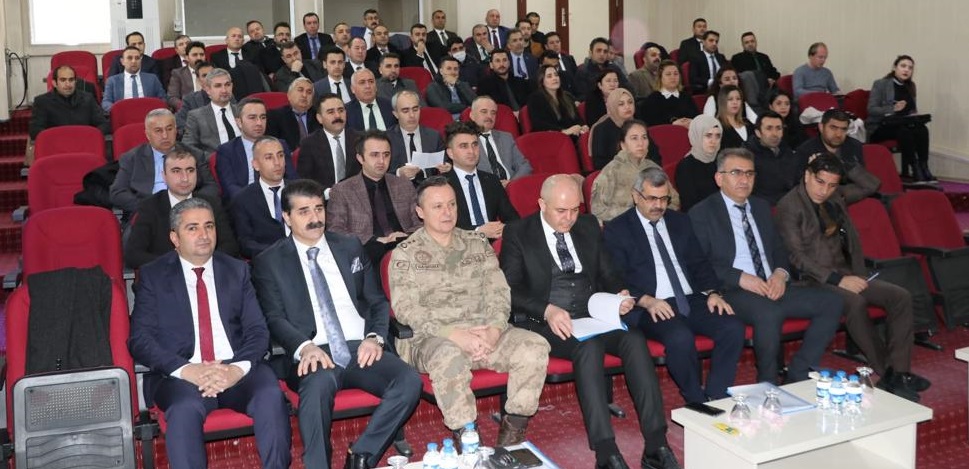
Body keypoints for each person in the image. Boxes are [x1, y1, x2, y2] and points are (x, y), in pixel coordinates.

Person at [500, 174, 681, 469]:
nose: (569, 218)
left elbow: (608, 273)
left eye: (575, 209)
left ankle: (656, 443)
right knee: (589, 348)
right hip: (546, 320)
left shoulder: (587, 226)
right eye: (561, 211)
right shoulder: (519, 232)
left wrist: (619, 294)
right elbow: (509, 289)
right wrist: (547, 310)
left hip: (591, 315)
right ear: (542, 204)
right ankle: (605, 450)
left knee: (635, 340)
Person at [251, 179, 422, 469]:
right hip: (314, 351)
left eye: (319, 209)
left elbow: (377, 301)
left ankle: (361, 456)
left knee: (409, 381)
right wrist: (304, 347)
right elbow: (274, 317)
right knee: (318, 385)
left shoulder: (350, 246)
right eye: (304, 211)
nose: (315, 217)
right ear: (287, 217)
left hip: (360, 347)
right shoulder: (270, 261)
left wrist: (374, 337)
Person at [128, 197, 292, 469]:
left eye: (209, 226)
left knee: (269, 395)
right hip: (181, 375)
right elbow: (140, 340)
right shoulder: (153, 276)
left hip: (235, 369)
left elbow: (257, 331)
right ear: (175, 238)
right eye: (192, 228)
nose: (204, 235)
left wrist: (236, 369)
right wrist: (187, 370)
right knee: (184, 409)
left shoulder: (237, 270)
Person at [388, 175, 549, 446]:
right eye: (437, 206)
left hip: (485, 333)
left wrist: (494, 331)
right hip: (432, 339)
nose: (447, 212)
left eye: (451, 204)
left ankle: (513, 432)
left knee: (535, 346)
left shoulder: (477, 243)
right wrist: (455, 335)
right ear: (420, 212)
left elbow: (499, 292)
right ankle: (467, 436)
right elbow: (407, 310)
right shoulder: (406, 253)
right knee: (449, 356)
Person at [775, 154, 930, 401]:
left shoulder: (835, 196)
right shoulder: (789, 206)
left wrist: (841, 161)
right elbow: (797, 257)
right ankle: (887, 372)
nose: (824, 190)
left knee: (900, 296)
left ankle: (900, 372)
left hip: (848, 273)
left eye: (832, 184)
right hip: (813, 280)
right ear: (807, 175)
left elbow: (872, 185)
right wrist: (837, 280)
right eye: (820, 182)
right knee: (855, 303)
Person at [688, 148, 842, 383]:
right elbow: (700, 264)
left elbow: (779, 250)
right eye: (736, 173)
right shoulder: (701, 213)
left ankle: (798, 373)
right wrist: (740, 277)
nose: (744, 179)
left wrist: (780, 274)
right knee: (770, 312)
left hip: (772, 285)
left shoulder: (761, 207)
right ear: (719, 178)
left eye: (750, 173)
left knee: (832, 301)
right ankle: (767, 382)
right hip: (732, 290)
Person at [603, 167, 744, 405]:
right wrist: (646, 300)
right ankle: (695, 399)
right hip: (650, 303)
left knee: (732, 327)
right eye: (652, 198)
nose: (658, 205)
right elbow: (614, 277)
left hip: (691, 298)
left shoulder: (679, 221)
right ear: (636, 195)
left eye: (664, 199)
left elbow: (699, 262)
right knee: (680, 337)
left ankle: (717, 393)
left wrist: (713, 292)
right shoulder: (618, 229)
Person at [124, 144, 239, 269]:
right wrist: (178, 264)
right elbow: (133, 254)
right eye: (176, 171)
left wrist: (202, 263)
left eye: (190, 170)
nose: (185, 178)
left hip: (208, 271)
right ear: (164, 176)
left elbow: (230, 246)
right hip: (166, 274)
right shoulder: (149, 206)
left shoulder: (211, 204)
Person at [327, 130, 423, 264]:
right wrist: (375, 239)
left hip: (406, 248)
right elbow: (335, 230)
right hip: (367, 253)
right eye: (374, 155)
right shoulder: (342, 190)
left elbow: (420, 222)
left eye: (386, 155)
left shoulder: (403, 185)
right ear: (360, 158)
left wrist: (405, 236)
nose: (381, 161)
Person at [110, 109, 219, 214]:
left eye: (169, 129)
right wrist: (148, 207)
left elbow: (211, 187)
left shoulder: (194, 154)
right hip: (148, 212)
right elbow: (117, 192)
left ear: (176, 130)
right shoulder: (132, 158)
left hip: (188, 211)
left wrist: (190, 204)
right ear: (147, 134)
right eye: (158, 131)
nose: (165, 136)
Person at [442, 120, 520, 238]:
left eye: (475, 144)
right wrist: (478, 231)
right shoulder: (441, 185)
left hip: (494, 242)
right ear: (450, 153)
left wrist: (503, 229)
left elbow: (513, 219)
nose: (471, 151)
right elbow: (442, 226)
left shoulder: (492, 180)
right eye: (464, 146)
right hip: (458, 244)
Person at [592, 120, 679, 223]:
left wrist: (656, 213)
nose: (640, 143)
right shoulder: (611, 171)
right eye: (634, 138)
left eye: (644, 137)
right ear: (623, 145)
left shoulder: (654, 168)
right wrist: (637, 214)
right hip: (625, 225)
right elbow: (597, 209)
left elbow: (674, 201)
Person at [215, 97, 297, 202]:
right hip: (244, 202)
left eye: (263, 117)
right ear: (239, 122)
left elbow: (292, 179)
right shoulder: (226, 151)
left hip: (278, 199)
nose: (259, 123)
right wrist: (256, 202)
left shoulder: (279, 145)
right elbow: (230, 188)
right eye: (252, 118)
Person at [867, 55, 933, 181]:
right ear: (894, 67)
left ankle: (924, 166)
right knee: (904, 131)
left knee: (922, 129)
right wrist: (893, 109)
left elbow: (912, 109)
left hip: (903, 123)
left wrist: (914, 114)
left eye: (910, 68)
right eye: (903, 66)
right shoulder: (881, 84)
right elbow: (871, 109)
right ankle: (915, 168)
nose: (906, 70)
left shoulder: (911, 86)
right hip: (881, 126)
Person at [230, 136, 292, 259]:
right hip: (268, 260)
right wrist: (278, 253)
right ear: (256, 165)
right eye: (269, 157)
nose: (277, 163)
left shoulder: (301, 191)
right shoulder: (243, 199)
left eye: (280, 155)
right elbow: (246, 243)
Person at [796, 109, 878, 201]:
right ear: (821, 127)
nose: (838, 134)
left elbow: (864, 181)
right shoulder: (805, 150)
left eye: (843, 129)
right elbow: (800, 185)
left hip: (849, 194)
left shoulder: (854, 146)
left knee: (872, 185)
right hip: (819, 197)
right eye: (833, 128)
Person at [298, 93, 361, 193]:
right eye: (331, 112)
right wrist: (328, 193)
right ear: (319, 118)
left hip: (357, 195)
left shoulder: (360, 139)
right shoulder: (309, 143)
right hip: (324, 197)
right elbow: (305, 180)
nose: (337, 116)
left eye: (341, 110)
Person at [28, 65, 108, 142]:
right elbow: (35, 130)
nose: (68, 84)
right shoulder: (42, 102)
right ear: (54, 83)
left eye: (71, 80)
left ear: (75, 81)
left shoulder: (88, 99)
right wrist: (61, 138)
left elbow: (103, 124)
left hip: (84, 143)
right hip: (56, 146)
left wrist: (90, 136)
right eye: (63, 80)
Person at [589, 88, 662, 171]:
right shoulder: (601, 129)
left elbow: (654, 154)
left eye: (630, 102)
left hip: (645, 172)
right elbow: (599, 164)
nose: (627, 107)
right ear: (613, 106)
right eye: (621, 104)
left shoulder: (639, 125)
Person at [387, 90, 449, 184]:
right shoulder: (387, 139)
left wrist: (447, 167)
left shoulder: (434, 136)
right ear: (396, 114)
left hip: (430, 186)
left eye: (415, 109)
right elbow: (379, 172)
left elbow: (445, 162)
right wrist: (398, 173)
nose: (412, 115)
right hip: (400, 187)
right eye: (405, 111)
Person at [469, 96, 533, 184]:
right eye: (484, 111)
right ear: (472, 115)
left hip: (511, 184)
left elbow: (524, 166)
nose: (489, 116)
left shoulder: (506, 137)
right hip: (486, 188)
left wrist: (511, 183)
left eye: (493, 113)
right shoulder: (466, 140)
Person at [183, 68, 242, 159]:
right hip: (214, 163)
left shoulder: (242, 111)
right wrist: (214, 158)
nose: (224, 90)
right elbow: (188, 145)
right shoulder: (196, 116)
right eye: (218, 86)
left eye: (227, 85)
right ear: (208, 90)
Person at [746, 111, 800, 205]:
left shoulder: (786, 150)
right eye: (769, 128)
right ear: (758, 133)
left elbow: (796, 179)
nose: (775, 134)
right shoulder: (746, 156)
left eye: (778, 128)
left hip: (791, 203)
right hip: (763, 206)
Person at [675, 115, 722, 211]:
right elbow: (690, 206)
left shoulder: (723, 160)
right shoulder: (686, 166)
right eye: (708, 135)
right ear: (697, 135)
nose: (713, 141)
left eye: (717, 136)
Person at [526, 65, 587, 137]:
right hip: (550, 138)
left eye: (556, 75)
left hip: (572, 136)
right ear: (542, 81)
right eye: (549, 76)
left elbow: (577, 118)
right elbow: (540, 124)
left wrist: (583, 126)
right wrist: (564, 131)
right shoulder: (535, 98)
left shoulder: (567, 96)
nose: (554, 78)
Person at [102, 46, 166, 112]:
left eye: (137, 58)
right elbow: (106, 102)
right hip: (123, 115)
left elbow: (163, 99)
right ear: (122, 61)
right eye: (129, 58)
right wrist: (118, 110)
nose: (134, 61)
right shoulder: (113, 81)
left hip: (148, 115)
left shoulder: (152, 79)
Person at [266, 77, 321, 151]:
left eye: (309, 92)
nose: (304, 95)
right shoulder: (274, 116)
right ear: (289, 95)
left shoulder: (318, 116)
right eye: (300, 90)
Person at [639, 60, 697, 128]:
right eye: (668, 74)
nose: (673, 77)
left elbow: (696, 116)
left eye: (676, 74)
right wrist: (672, 124)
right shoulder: (652, 100)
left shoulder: (686, 97)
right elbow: (652, 124)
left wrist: (692, 121)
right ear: (660, 77)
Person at [729, 31, 780, 108]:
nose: (750, 44)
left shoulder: (764, 57)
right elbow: (737, 76)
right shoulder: (737, 58)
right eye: (747, 42)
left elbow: (774, 72)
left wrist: (772, 79)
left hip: (767, 87)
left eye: (752, 41)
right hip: (750, 90)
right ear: (743, 45)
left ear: (756, 42)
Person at [174, 63, 219, 133]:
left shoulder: (227, 95)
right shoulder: (190, 99)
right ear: (198, 80)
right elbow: (179, 121)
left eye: (212, 74)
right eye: (204, 75)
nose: (209, 78)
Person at [167, 41, 208, 108]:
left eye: (202, 54)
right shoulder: (178, 73)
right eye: (195, 55)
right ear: (187, 57)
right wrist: (185, 106)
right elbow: (172, 97)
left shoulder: (213, 72)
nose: (199, 58)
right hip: (188, 109)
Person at [715, 85, 755, 149]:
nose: (735, 102)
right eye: (730, 99)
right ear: (722, 102)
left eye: (738, 99)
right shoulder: (717, 126)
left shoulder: (747, 123)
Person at [687, 31, 726, 96]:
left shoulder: (721, 57)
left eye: (716, 41)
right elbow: (693, 78)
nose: (714, 44)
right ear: (703, 42)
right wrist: (711, 82)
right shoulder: (696, 57)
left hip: (723, 90)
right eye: (711, 40)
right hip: (706, 90)